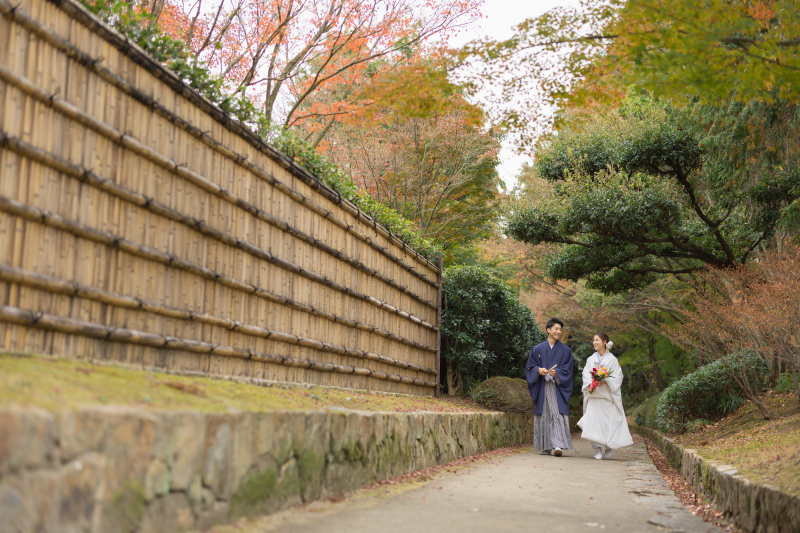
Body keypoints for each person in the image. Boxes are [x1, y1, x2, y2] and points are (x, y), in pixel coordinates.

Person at [577, 333, 634, 460]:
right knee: (593, 425)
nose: (594, 342)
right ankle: (597, 449)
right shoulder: (591, 359)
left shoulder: (612, 359)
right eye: (593, 340)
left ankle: (609, 447)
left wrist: (606, 380)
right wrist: (593, 381)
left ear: (604, 342)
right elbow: (585, 374)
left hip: (607, 396)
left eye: (597, 340)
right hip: (595, 396)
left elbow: (618, 376)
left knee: (608, 424)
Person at [525, 318, 574, 456]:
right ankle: (545, 446)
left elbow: (568, 369)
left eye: (560, 330)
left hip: (556, 386)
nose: (559, 332)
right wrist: (538, 370)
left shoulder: (565, 350)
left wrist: (557, 372)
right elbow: (530, 366)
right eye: (556, 329)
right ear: (548, 330)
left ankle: (558, 445)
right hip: (542, 386)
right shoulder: (538, 349)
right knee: (544, 414)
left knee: (556, 413)